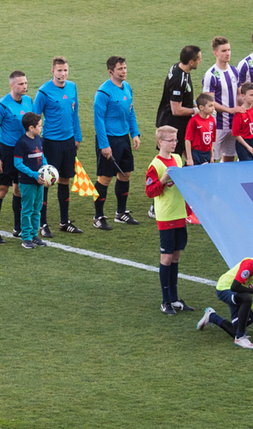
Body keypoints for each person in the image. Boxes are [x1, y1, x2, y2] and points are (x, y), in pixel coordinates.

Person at [198, 246, 253, 349]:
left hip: (240, 296)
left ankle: (212, 316)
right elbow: (235, 286)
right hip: (225, 288)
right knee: (247, 298)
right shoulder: (252, 264)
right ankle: (240, 338)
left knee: (244, 323)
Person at [33, 57, 84, 234]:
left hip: (69, 142)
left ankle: (64, 222)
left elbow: (74, 113)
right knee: (46, 182)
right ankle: (42, 224)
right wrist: (36, 142)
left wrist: (77, 136)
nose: (63, 74)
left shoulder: (72, 87)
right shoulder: (43, 92)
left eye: (65, 70)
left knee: (65, 180)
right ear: (52, 71)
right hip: (50, 143)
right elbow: (35, 118)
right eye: (59, 70)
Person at [142, 125, 189, 314]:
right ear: (160, 142)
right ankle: (165, 301)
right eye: (171, 140)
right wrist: (163, 180)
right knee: (167, 257)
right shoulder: (155, 165)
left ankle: (175, 299)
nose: (175, 143)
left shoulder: (177, 158)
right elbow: (149, 192)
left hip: (179, 213)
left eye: (176, 140)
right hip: (166, 215)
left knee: (176, 255)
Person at [93, 56, 141, 226]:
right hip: (109, 140)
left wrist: (135, 133)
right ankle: (98, 217)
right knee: (105, 178)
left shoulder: (127, 87)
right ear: (110, 71)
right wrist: (104, 145)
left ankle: (121, 213)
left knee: (125, 175)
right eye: (120, 69)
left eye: (125, 68)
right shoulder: (103, 93)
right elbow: (98, 121)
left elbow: (130, 111)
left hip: (123, 139)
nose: (123, 71)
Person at [0, 70, 34, 244]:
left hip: (25, 152)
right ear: (11, 85)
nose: (24, 86)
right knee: (1, 190)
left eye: (25, 83)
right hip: (7, 152)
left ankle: (18, 228)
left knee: (20, 189)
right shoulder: (2, 105)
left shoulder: (29, 101)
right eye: (21, 84)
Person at [157, 45, 201, 162]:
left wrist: (193, 103)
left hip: (178, 124)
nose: (200, 61)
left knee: (187, 158)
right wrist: (196, 111)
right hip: (173, 126)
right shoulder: (178, 79)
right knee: (171, 161)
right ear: (191, 62)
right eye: (198, 59)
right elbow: (176, 110)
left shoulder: (179, 67)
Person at [12, 112, 47, 249]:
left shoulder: (38, 139)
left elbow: (42, 156)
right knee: (27, 209)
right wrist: (34, 175)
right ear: (31, 128)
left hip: (39, 181)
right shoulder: (22, 143)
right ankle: (26, 237)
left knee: (37, 208)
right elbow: (18, 164)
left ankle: (34, 234)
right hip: (27, 182)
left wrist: (46, 169)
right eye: (39, 126)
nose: (41, 128)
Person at [202, 38, 240, 162]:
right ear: (216, 53)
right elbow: (209, 102)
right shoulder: (211, 75)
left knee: (229, 157)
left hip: (233, 124)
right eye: (224, 51)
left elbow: (239, 94)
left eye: (229, 50)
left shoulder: (234, 71)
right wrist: (230, 110)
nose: (228, 53)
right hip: (217, 125)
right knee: (212, 159)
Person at [231, 83, 253, 161]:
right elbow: (236, 134)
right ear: (243, 96)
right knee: (246, 165)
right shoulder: (239, 113)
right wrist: (247, 147)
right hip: (243, 143)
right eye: (251, 95)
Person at [188, 93, 218, 163]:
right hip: (196, 153)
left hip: (207, 153)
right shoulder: (194, 121)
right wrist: (189, 158)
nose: (213, 108)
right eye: (210, 106)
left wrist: (212, 156)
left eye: (213, 106)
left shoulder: (212, 120)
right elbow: (188, 140)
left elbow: (211, 140)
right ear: (201, 107)